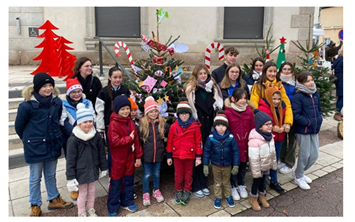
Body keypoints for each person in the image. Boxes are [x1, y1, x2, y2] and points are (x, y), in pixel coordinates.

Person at [15, 72, 74, 216]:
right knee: (35, 177)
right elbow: (19, 127)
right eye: (44, 86)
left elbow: (58, 120)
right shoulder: (27, 105)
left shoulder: (56, 102)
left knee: (50, 174)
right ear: (37, 88)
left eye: (50, 86)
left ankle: (54, 199)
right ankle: (35, 203)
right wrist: (30, 140)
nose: (48, 89)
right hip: (35, 146)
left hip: (53, 144)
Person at [250, 61, 293, 194]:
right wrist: (266, 126)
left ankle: (273, 180)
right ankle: (261, 182)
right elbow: (254, 107)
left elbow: (287, 105)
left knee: (275, 157)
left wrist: (287, 123)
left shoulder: (280, 86)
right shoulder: (258, 87)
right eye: (270, 71)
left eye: (274, 71)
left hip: (279, 130)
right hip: (265, 131)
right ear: (265, 72)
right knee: (263, 157)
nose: (272, 74)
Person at [184, 64, 223, 198]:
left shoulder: (213, 88)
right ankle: (196, 184)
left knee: (205, 153)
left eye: (205, 73)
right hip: (197, 125)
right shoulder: (191, 90)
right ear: (196, 75)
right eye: (200, 74)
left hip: (209, 125)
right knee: (197, 154)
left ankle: (204, 183)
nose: (203, 76)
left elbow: (216, 106)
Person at [66, 103, 108, 217]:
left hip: (93, 169)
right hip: (81, 172)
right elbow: (70, 160)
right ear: (79, 123)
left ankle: (91, 209)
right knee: (83, 193)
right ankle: (81, 212)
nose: (88, 124)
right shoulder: (73, 140)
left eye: (90, 121)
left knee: (92, 191)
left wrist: (103, 167)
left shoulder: (96, 136)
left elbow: (101, 153)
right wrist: (70, 177)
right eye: (85, 122)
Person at [60, 77, 96, 201]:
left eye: (78, 91)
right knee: (72, 161)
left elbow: (93, 117)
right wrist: (75, 132)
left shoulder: (88, 103)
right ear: (69, 93)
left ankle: (85, 180)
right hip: (71, 138)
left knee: (84, 160)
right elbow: (63, 121)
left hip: (87, 136)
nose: (76, 94)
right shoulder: (63, 105)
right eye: (73, 92)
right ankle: (74, 187)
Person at [107, 95, 143, 216]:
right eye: (122, 109)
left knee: (128, 181)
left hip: (129, 158)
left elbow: (136, 141)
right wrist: (129, 139)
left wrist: (138, 156)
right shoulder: (113, 124)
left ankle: (127, 202)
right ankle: (113, 207)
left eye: (127, 108)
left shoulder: (130, 122)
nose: (126, 111)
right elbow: (114, 142)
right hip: (118, 160)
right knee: (116, 184)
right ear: (117, 110)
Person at [166, 98, 203, 205]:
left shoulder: (195, 127)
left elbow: (198, 142)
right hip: (177, 156)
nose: (184, 116)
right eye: (181, 114)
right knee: (178, 175)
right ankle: (178, 190)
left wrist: (198, 157)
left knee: (188, 175)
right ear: (178, 115)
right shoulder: (173, 127)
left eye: (186, 114)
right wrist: (169, 156)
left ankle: (187, 190)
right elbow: (170, 142)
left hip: (190, 156)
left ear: (190, 114)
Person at [95, 66, 130, 174]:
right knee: (112, 152)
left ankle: (124, 171)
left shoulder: (125, 90)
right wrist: (100, 129)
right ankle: (113, 173)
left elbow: (130, 107)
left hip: (124, 125)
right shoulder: (103, 92)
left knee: (124, 150)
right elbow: (99, 112)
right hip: (110, 126)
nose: (118, 80)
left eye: (119, 77)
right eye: (115, 77)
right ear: (110, 78)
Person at [202, 111, 240, 209]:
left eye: (223, 125)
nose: (221, 128)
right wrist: (205, 164)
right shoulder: (211, 138)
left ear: (226, 126)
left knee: (226, 182)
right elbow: (206, 151)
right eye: (218, 125)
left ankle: (228, 196)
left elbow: (235, 151)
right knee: (217, 182)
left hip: (227, 164)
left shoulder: (231, 138)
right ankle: (218, 197)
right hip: (216, 165)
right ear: (215, 126)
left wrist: (236, 165)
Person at [292, 72, 323, 190]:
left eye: (312, 80)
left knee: (314, 155)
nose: (311, 83)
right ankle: (298, 176)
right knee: (304, 155)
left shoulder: (315, 93)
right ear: (301, 83)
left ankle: (299, 172)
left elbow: (319, 109)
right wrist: (308, 122)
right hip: (303, 130)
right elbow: (296, 115)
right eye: (307, 81)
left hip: (315, 128)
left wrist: (320, 118)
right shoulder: (298, 96)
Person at [224, 88, 255, 200]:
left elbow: (253, 128)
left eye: (244, 98)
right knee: (233, 167)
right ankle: (233, 186)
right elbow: (225, 130)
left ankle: (241, 184)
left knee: (243, 166)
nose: (242, 101)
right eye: (240, 98)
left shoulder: (249, 111)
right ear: (233, 99)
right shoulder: (227, 112)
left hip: (245, 145)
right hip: (233, 146)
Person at [139, 96, 170, 206]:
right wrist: (139, 156)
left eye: (155, 111)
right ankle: (145, 192)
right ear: (147, 112)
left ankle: (156, 190)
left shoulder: (162, 123)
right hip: (147, 156)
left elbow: (170, 133)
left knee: (157, 173)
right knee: (147, 174)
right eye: (151, 111)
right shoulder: (142, 124)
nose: (153, 114)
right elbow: (139, 142)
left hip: (158, 155)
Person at [258, 84, 287, 194]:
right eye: (274, 99)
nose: (276, 101)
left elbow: (284, 118)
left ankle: (274, 181)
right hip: (267, 139)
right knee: (266, 161)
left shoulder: (282, 107)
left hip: (279, 137)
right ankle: (263, 183)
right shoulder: (263, 108)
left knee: (274, 160)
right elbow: (261, 125)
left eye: (278, 99)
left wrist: (284, 126)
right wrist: (273, 128)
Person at [248, 109, 277, 211]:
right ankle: (253, 198)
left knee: (263, 182)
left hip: (266, 165)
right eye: (266, 124)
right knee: (256, 182)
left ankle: (262, 195)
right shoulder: (254, 141)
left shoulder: (270, 137)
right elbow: (253, 158)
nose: (270, 126)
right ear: (260, 126)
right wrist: (256, 172)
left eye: (270, 124)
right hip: (258, 168)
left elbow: (273, 152)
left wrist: (273, 165)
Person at [278, 62, 298, 174]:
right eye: (284, 69)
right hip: (281, 114)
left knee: (292, 139)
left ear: (292, 71)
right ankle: (283, 159)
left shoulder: (295, 82)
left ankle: (290, 163)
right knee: (282, 138)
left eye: (288, 69)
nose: (286, 71)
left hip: (292, 114)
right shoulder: (278, 82)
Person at [332, 46, 343, 121]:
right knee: (343, 97)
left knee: (340, 97)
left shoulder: (339, 59)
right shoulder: (343, 61)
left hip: (339, 81)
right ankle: (337, 113)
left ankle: (338, 112)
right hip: (342, 81)